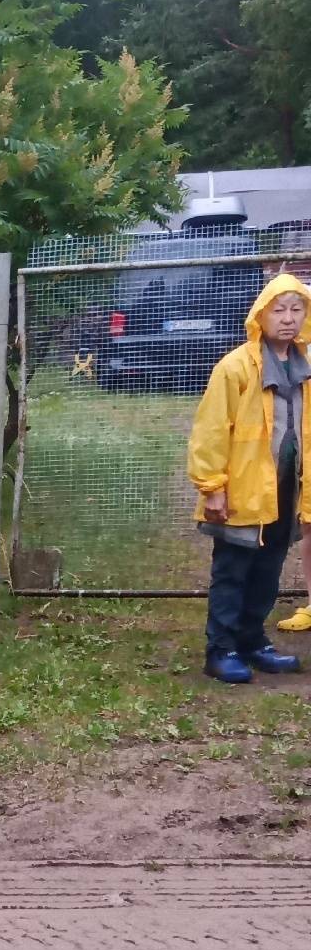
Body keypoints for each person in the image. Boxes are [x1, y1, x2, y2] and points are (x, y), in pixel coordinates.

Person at [188, 272, 311, 683]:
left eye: (297, 309)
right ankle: (220, 650)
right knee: (233, 570)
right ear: (262, 314)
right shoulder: (236, 367)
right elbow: (210, 430)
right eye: (280, 309)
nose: (288, 318)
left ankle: (253, 642)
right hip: (241, 493)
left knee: (268, 570)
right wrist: (213, 489)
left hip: (285, 492)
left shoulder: (306, 368)